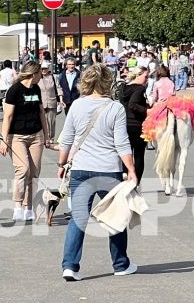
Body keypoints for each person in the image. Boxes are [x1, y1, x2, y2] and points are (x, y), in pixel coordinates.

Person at [56, 64, 137, 281]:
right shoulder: (115, 108)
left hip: (81, 168)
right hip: (108, 169)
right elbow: (121, 142)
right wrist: (131, 169)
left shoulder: (76, 106)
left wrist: (62, 163)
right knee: (115, 218)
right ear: (108, 83)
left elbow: (67, 139)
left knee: (78, 218)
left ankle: (70, 266)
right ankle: (120, 264)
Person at [0, 61, 52, 222]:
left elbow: (41, 112)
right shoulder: (14, 90)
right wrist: (3, 139)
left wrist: (47, 134)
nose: (41, 76)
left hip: (36, 135)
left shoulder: (36, 89)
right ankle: (17, 206)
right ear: (33, 73)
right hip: (17, 136)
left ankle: (28, 207)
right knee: (23, 169)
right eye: (40, 74)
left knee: (34, 173)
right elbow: (7, 117)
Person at [120, 66, 150, 184]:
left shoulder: (124, 87)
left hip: (123, 124)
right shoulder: (139, 89)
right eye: (145, 76)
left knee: (125, 153)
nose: (147, 79)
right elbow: (133, 105)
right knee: (138, 155)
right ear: (138, 75)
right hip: (137, 125)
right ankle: (135, 182)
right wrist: (147, 110)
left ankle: (124, 178)